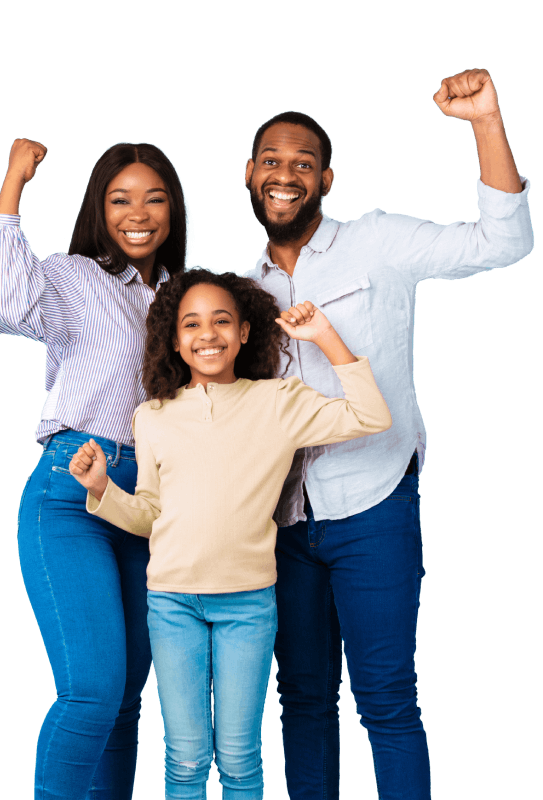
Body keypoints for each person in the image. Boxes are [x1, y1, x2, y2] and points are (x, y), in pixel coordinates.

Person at [241, 68, 534, 800]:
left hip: (374, 503)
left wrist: (485, 121)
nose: (285, 175)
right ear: (249, 174)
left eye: (303, 163)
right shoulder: (242, 292)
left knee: (385, 699)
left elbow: (504, 242)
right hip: (283, 522)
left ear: (326, 179)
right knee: (302, 699)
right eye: (271, 161)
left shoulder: (378, 241)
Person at [67, 266, 393, 799]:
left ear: (244, 331)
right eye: (191, 324)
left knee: (240, 760)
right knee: (185, 760)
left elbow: (371, 415)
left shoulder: (279, 401)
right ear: (175, 341)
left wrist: (324, 336)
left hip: (248, 603)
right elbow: (150, 514)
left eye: (221, 321)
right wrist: (102, 488)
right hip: (172, 603)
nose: (208, 334)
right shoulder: (153, 417)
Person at [0, 138, 193, 799]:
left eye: (154, 199)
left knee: (127, 696)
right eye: (120, 200)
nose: (138, 213)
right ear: (98, 211)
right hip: (72, 492)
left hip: (152, 506)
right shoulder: (73, 277)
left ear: (173, 210)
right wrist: (14, 181)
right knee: (91, 691)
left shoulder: (184, 298)